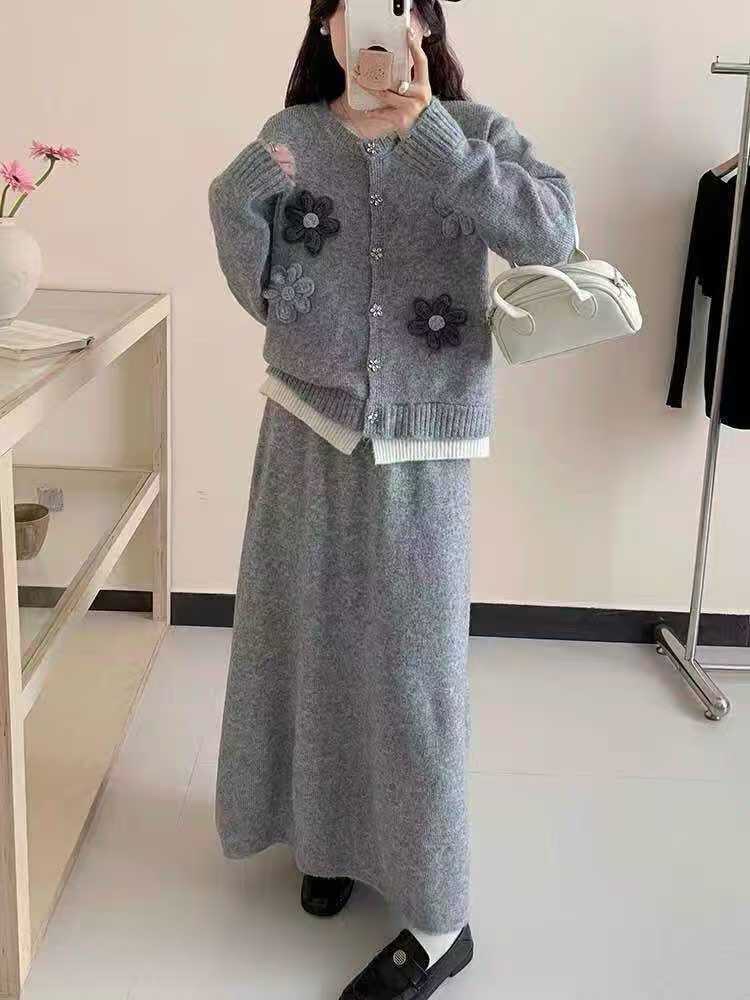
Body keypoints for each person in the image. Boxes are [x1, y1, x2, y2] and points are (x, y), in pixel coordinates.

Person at [208, 1, 577, 996]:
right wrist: (249, 206)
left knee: (415, 677)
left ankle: (439, 919)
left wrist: (433, 136)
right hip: (305, 422)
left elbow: (553, 233)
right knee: (307, 642)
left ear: (424, 27)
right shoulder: (294, 135)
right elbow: (250, 260)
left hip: (426, 442)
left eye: (400, 4)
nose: (379, 23)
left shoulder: (470, 130)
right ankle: (325, 837)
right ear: (328, 27)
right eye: (358, 4)